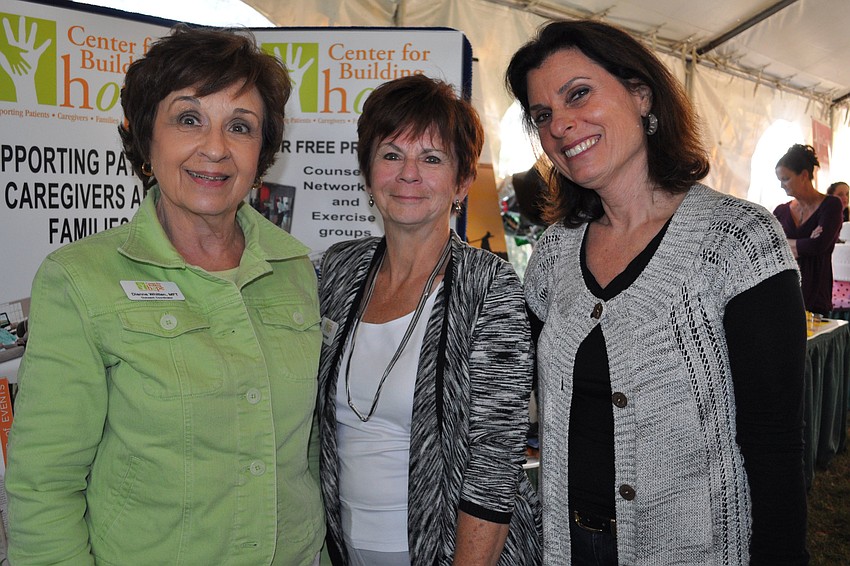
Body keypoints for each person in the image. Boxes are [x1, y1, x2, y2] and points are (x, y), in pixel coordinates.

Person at [6, 26, 325, 565]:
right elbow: (43, 487)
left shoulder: (293, 270)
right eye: (188, 118)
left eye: (241, 127)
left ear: (262, 151)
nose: (216, 148)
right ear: (145, 136)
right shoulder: (80, 280)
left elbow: (307, 452)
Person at [506, 20, 809, 566]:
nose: (560, 126)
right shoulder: (553, 255)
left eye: (579, 94)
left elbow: (775, 440)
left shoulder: (735, 241)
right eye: (543, 115)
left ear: (641, 94)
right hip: (568, 546)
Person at [317, 74, 541, 566]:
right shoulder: (337, 270)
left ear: (462, 182)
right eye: (391, 154)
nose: (408, 174)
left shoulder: (489, 286)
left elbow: (495, 460)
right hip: (344, 549)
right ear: (368, 170)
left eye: (432, 158)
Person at [774, 144, 843, 315]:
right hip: (783, 294)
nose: (782, 185)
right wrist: (805, 244)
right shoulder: (781, 211)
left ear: (804, 175)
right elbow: (769, 247)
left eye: (786, 179)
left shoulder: (831, 205)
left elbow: (819, 246)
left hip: (815, 296)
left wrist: (785, 245)